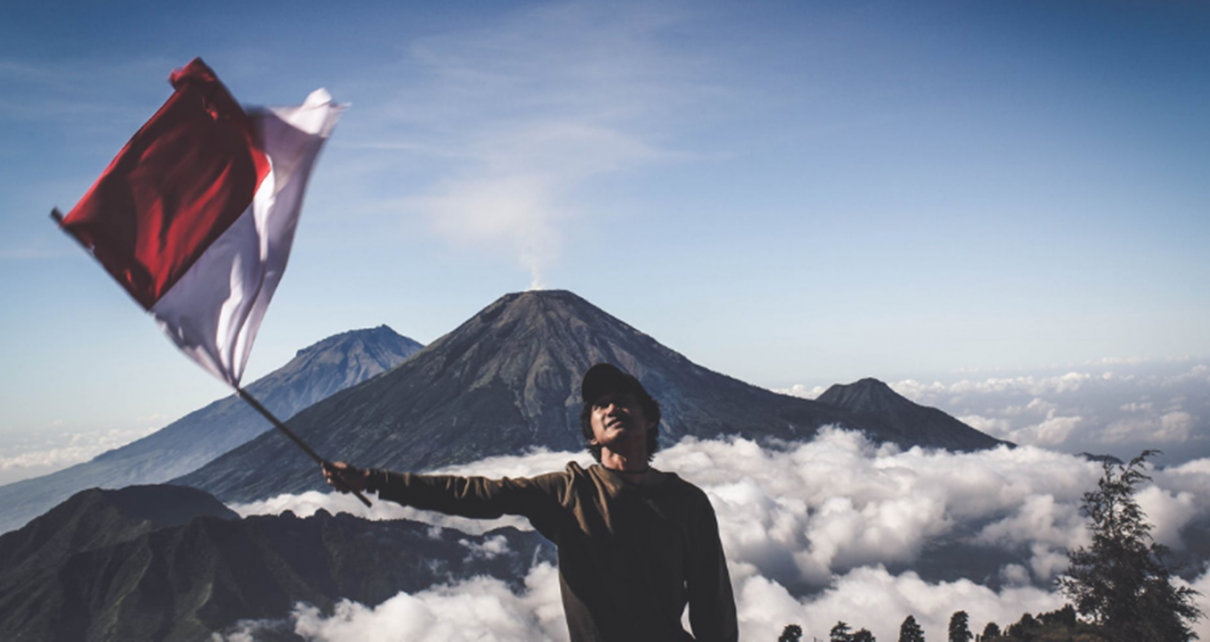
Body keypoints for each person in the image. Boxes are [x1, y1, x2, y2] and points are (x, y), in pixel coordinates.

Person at [323, 363, 739, 642]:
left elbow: (712, 603)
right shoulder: (568, 492)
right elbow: (476, 496)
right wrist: (374, 481)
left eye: (622, 399)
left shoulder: (688, 502)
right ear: (591, 435)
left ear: (649, 420)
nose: (611, 407)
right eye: (599, 405)